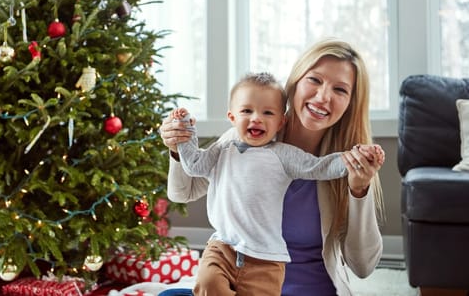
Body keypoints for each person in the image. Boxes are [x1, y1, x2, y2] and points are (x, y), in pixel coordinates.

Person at [158, 38, 386, 296]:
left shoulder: (345, 164)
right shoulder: (246, 136)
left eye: (340, 90)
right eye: (315, 80)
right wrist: (178, 147)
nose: (323, 97)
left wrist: (359, 190)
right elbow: (182, 193)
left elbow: (363, 266)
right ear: (296, 82)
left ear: (350, 104)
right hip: (239, 283)